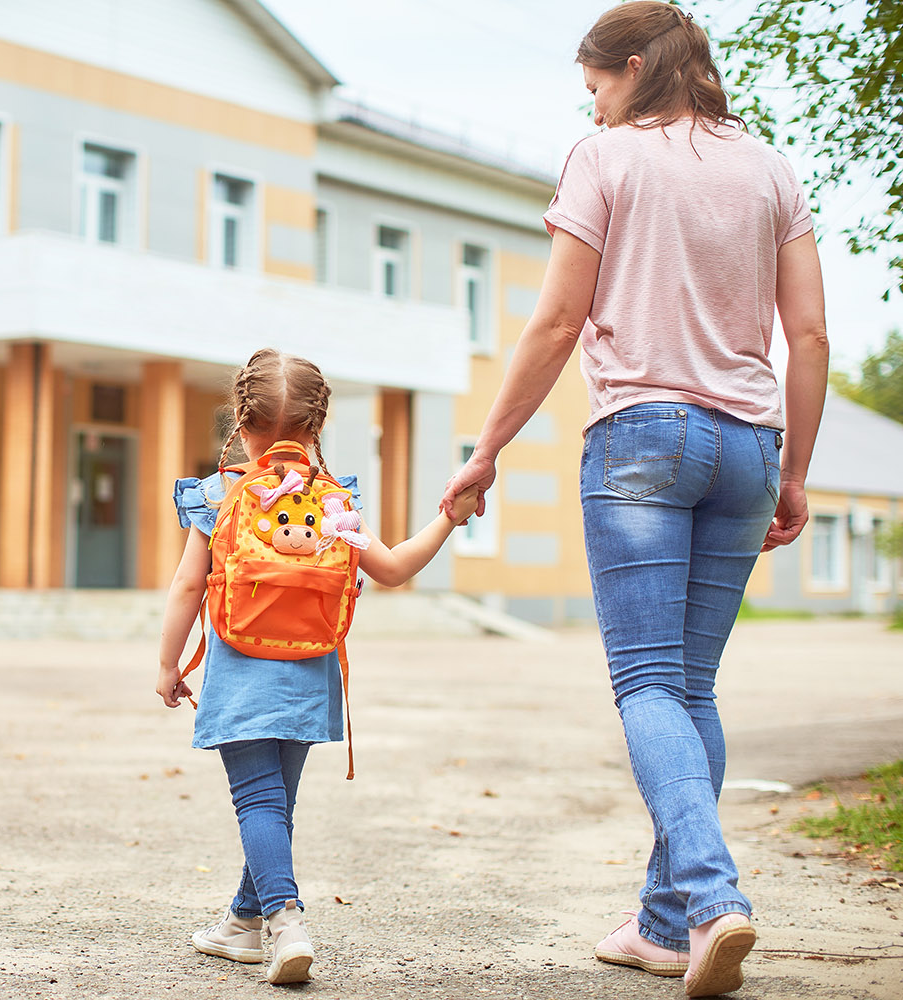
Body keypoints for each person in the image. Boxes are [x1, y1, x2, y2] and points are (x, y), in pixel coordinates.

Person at [439, 3, 828, 997]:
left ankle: (709, 896)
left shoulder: (603, 159)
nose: (596, 108)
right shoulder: (771, 169)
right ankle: (662, 924)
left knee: (649, 685)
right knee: (690, 690)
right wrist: (794, 470)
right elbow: (811, 336)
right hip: (748, 443)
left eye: (598, 87)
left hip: (643, 437)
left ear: (634, 64)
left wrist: (485, 450)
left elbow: (560, 314)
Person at [156, 347, 477, 985]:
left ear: (240, 427)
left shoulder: (220, 494)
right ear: (318, 427)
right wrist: (450, 517)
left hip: (241, 674)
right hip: (309, 675)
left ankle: (285, 919)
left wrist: (169, 664)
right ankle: (244, 921)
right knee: (276, 802)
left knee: (256, 800)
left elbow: (187, 588)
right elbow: (391, 570)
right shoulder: (333, 503)